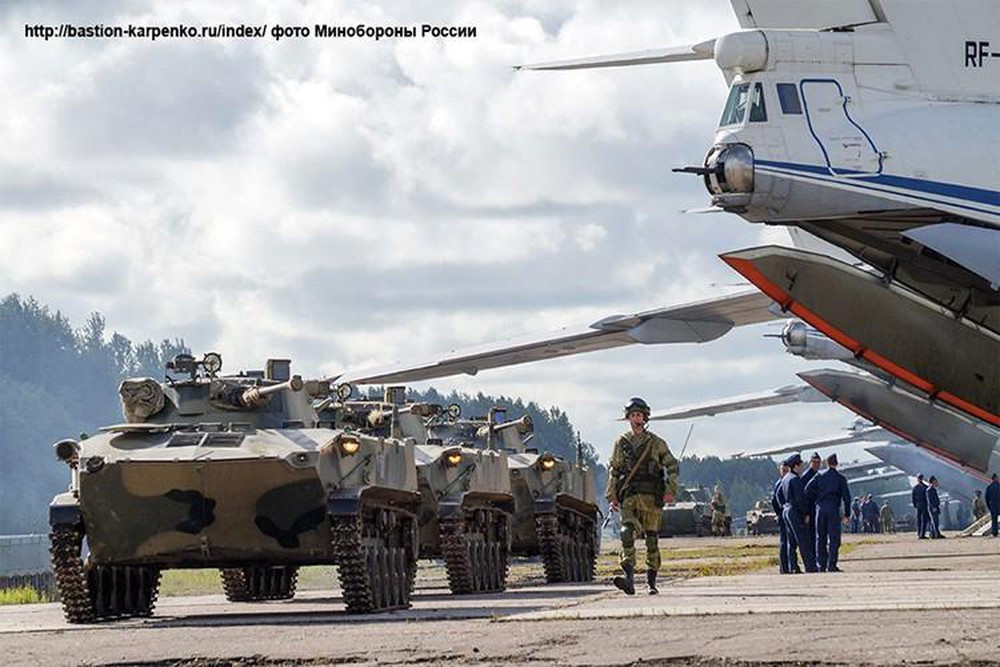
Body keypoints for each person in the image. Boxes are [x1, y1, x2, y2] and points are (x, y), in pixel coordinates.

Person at [606, 397, 679, 595]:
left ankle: (651, 582)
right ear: (628, 418)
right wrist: (612, 496)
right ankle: (629, 579)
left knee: (652, 541)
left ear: (645, 418)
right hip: (630, 497)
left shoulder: (655, 443)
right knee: (626, 534)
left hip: (652, 498)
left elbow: (672, 465)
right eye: (633, 416)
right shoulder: (621, 443)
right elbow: (614, 470)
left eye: (639, 415)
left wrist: (671, 490)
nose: (636, 419)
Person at [804, 452, 851, 572]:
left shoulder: (819, 476)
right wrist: (847, 514)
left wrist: (818, 498)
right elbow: (847, 498)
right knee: (834, 538)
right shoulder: (840, 478)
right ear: (837, 463)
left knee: (821, 538)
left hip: (820, 509)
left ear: (826, 462)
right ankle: (832, 565)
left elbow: (807, 489)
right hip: (833, 509)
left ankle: (821, 565)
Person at [780, 453, 817, 573]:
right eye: (800, 464)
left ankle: (793, 566)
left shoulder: (785, 478)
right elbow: (800, 499)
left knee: (791, 541)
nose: (801, 466)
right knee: (803, 540)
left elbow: (779, 495)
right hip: (794, 511)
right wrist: (805, 513)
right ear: (796, 465)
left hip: (786, 510)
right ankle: (810, 566)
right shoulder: (795, 479)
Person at [772, 463, 799, 574]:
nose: (784, 472)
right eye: (783, 470)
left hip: (784, 514)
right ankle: (785, 567)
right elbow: (775, 501)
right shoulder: (780, 483)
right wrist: (780, 512)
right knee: (785, 542)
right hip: (784, 515)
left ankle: (787, 566)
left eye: (786, 470)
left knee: (788, 541)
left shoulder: (785, 482)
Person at [801, 453, 821, 557]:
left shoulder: (819, 475)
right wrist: (806, 513)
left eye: (818, 462)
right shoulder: (806, 476)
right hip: (810, 510)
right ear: (811, 462)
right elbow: (804, 496)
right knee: (811, 535)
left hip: (817, 509)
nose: (817, 465)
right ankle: (812, 556)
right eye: (815, 462)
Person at [912, 473, 930, 538]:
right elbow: (913, 498)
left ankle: (921, 533)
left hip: (922, 505)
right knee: (921, 520)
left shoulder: (919, 488)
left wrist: (915, 504)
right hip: (921, 505)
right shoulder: (922, 487)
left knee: (922, 520)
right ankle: (920, 533)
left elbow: (913, 498)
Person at [985, 473, 1000, 538]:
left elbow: (986, 498)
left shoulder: (989, 487)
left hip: (992, 506)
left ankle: (994, 533)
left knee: (994, 520)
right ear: (995, 478)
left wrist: (989, 506)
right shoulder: (999, 486)